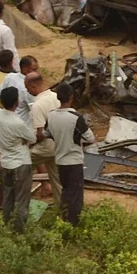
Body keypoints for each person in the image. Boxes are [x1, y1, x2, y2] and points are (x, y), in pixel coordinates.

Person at [48, 83, 95, 224]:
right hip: (74, 161)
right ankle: (73, 224)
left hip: (60, 161)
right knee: (75, 196)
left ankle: (63, 220)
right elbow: (90, 138)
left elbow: (46, 133)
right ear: (71, 97)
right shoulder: (76, 117)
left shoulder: (51, 116)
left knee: (66, 192)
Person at [0, 88, 36, 231]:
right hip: (21, 163)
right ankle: (20, 231)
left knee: (8, 197)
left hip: (5, 163)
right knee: (22, 200)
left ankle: (7, 226)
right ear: (17, 103)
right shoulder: (18, 123)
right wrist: (23, 139)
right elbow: (33, 138)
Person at [27, 74, 63, 209]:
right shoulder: (56, 97)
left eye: (28, 88)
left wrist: (29, 144)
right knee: (57, 178)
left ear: (33, 86)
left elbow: (40, 134)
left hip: (47, 145)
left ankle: (19, 202)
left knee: (21, 162)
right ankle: (63, 209)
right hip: (60, 143)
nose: (28, 91)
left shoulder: (38, 105)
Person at [0, 55, 36, 123]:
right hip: (22, 126)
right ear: (25, 69)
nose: (36, 72)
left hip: (6, 122)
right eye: (34, 69)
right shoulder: (29, 87)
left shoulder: (10, 77)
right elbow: (35, 111)